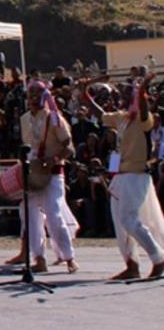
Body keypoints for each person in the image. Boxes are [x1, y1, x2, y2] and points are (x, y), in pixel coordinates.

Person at [84, 75, 164, 280]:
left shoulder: (144, 119)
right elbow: (99, 114)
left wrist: (142, 91)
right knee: (120, 222)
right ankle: (132, 264)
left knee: (130, 220)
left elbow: (144, 109)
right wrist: (85, 92)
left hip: (136, 176)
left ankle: (158, 258)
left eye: (129, 92)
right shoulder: (121, 118)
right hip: (120, 176)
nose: (122, 95)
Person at [15, 81, 79, 273]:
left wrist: (53, 159)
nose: (33, 96)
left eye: (37, 92)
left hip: (52, 175)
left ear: (45, 95)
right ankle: (39, 259)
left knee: (54, 215)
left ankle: (69, 258)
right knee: (29, 216)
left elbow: (69, 147)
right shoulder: (24, 118)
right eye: (30, 92)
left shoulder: (54, 117)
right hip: (32, 175)